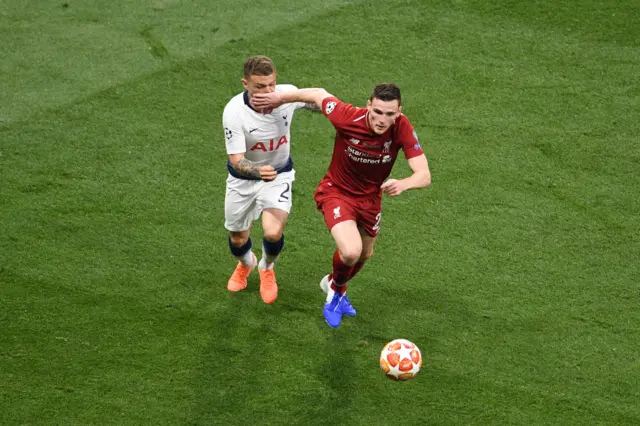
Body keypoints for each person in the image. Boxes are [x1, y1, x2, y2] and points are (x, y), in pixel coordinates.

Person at [253, 83, 431, 326]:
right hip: (337, 192)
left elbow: (424, 174)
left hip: (370, 199)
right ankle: (334, 296)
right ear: (368, 105)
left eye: (390, 114)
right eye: (377, 111)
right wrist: (280, 99)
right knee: (350, 251)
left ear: (399, 111)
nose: (382, 119)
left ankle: (334, 284)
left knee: (365, 254)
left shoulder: (402, 127)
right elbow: (318, 94)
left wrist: (405, 183)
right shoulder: (347, 116)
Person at [222, 55, 315, 304]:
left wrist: (300, 98)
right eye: (260, 87)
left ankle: (267, 268)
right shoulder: (234, 112)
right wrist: (257, 170)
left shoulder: (286, 95)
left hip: (279, 175)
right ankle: (246, 264)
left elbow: (320, 102)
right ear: (246, 84)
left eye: (271, 84)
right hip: (242, 180)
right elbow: (236, 159)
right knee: (237, 238)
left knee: (273, 232)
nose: (267, 91)